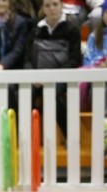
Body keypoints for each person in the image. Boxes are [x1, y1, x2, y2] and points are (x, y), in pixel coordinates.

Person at [25, 0, 81, 141]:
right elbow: (27, 58)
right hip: (36, 78)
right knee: (23, 95)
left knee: (52, 95)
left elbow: (75, 60)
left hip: (61, 77)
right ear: (43, 8)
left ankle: (71, 137)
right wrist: (33, 75)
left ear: (61, 6)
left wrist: (52, 77)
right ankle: (26, 139)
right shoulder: (36, 29)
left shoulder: (72, 29)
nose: (52, 8)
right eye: (48, 5)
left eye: (55, 4)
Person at [83, 0, 107, 157]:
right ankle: (104, 125)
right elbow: (87, 61)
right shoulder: (95, 37)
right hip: (100, 81)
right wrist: (101, 63)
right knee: (100, 87)